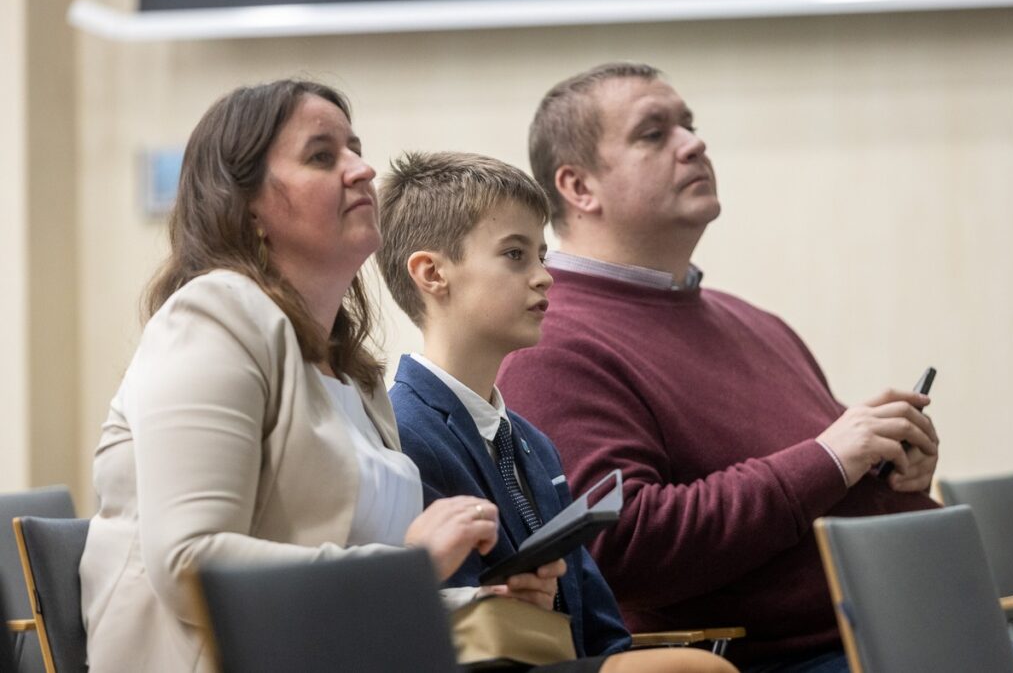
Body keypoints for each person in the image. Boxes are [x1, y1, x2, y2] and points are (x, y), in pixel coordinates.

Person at [78, 79, 564, 673]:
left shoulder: (354, 374)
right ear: (247, 205)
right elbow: (190, 565)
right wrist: (407, 568)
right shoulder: (211, 316)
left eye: (355, 149)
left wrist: (480, 603)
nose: (361, 170)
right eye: (322, 155)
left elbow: (350, 590)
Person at [495, 62, 953, 672]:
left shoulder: (750, 319)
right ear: (580, 188)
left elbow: (819, 482)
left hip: (908, 625)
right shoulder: (549, 341)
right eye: (654, 133)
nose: (694, 143)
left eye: (688, 124)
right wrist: (831, 459)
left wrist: (889, 471)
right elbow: (617, 540)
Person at [377, 150, 739, 673]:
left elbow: (602, 630)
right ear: (432, 273)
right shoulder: (404, 436)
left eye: (542, 256)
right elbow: (437, 637)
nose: (545, 277)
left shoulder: (532, 441)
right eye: (515, 255)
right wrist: (508, 608)